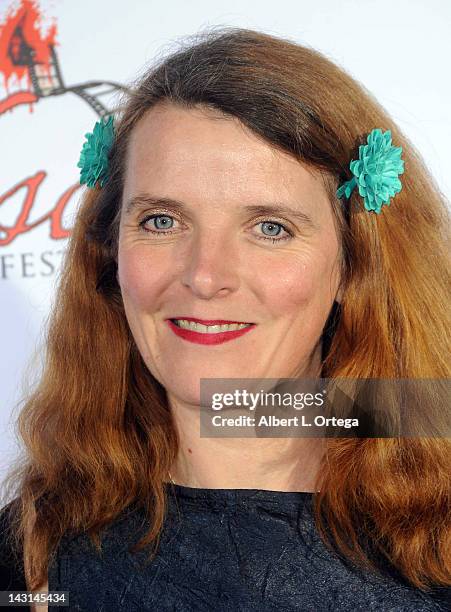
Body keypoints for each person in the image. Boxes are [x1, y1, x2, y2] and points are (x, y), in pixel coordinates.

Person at [1, 27, 450, 611]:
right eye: (162, 221)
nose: (206, 277)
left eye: (270, 228)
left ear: (351, 266)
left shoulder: (436, 533)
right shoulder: (33, 552)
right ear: (109, 250)